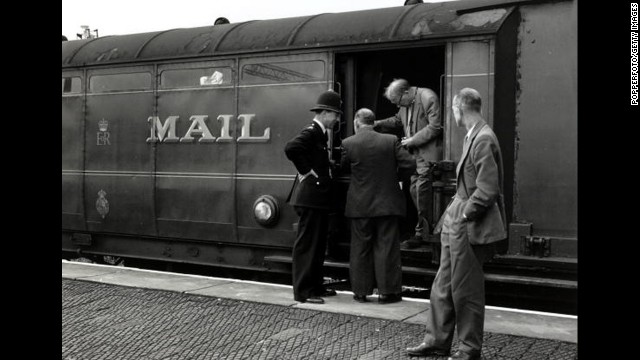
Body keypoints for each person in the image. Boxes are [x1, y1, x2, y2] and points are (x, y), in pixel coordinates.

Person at [406, 88, 506, 360]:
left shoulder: (483, 139)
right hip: (457, 217)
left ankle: (469, 349)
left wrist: (463, 214)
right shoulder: (473, 135)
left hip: (467, 222)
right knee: (443, 284)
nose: (452, 115)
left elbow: (487, 190)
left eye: (453, 110)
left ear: (459, 108)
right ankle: (437, 341)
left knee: (466, 289)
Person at [340, 108, 415, 304]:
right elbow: (410, 164)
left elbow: (342, 168)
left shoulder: (348, 143)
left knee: (360, 248)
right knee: (387, 247)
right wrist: (395, 178)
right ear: (373, 123)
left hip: (360, 204)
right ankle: (387, 293)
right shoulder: (390, 141)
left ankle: (361, 292)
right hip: (387, 203)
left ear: (357, 123)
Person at [284, 90, 342, 304]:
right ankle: (303, 292)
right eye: (335, 114)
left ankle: (315, 286)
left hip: (317, 197)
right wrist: (307, 172)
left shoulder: (320, 132)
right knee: (308, 245)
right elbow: (291, 148)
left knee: (317, 244)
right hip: (310, 196)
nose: (336, 119)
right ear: (325, 113)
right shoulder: (311, 131)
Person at [374, 78, 442, 249]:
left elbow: (435, 127)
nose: (398, 106)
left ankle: (423, 233)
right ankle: (423, 230)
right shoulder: (405, 104)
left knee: (423, 193)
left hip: (427, 156)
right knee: (415, 191)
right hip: (415, 158)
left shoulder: (427, 97)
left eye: (397, 101)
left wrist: (412, 140)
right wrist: (376, 124)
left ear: (405, 92)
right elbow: (397, 121)